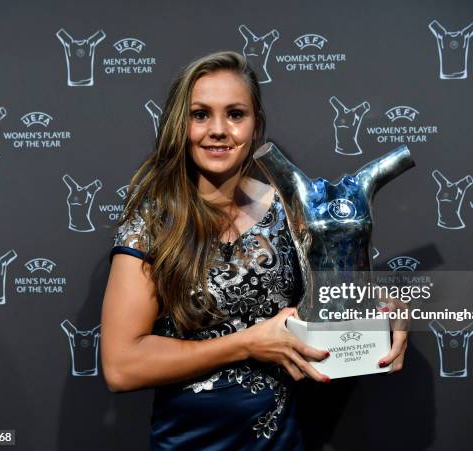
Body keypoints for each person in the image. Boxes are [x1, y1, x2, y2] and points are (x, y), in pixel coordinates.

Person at [100, 51, 407, 450]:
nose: (218, 130)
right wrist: (246, 342)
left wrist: (380, 315)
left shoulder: (292, 214)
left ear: (256, 125)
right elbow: (122, 365)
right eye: (200, 114)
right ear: (180, 124)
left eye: (235, 114)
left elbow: (330, 303)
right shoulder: (153, 221)